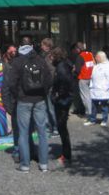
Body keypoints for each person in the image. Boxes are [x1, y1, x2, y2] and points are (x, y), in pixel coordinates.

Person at [5, 37, 52, 173]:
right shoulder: (40, 60)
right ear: (32, 46)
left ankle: (25, 165)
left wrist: (17, 95)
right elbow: (49, 79)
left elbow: (11, 83)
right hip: (39, 99)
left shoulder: (17, 62)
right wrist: (43, 93)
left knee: (23, 133)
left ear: (20, 47)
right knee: (42, 132)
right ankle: (43, 164)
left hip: (23, 100)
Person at [51, 47, 74, 166]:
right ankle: (66, 153)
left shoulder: (61, 68)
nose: (51, 58)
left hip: (63, 100)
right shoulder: (64, 65)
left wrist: (57, 95)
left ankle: (66, 154)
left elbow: (65, 83)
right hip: (64, 98)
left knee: (62, 127)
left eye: (52, 56)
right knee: (62, 127)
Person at [86, 51, 109, 127]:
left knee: (104, 106)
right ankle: (92, 119)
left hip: (103, 90)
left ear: (101, 58)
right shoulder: (96, 66)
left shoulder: (108, 67)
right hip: (94, 89)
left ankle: (104, 120)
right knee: (93, 106)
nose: (95, 58)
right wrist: (91, 86)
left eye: (97, 57)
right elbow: (92, 77)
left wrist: (105, 88)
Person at [40, 38, 57, 135]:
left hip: (49, 86)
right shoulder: (44, 56)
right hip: (45, 85)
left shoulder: (50, 57)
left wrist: (48, 83)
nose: (41, 47)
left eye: (43, 45)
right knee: (45, 107)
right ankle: (48, 127)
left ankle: (55, 127)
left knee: (50, 108)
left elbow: (51, 72)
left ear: (47, 46)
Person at [75, 42, 95, 119]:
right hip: (91, 77)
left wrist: (74, 70)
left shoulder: (80, 56)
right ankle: (91, 111)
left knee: (85, 97)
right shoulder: (90, 54)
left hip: (83, 78)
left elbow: (77, 70)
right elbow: (93, 64)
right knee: (90, 95)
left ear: (78, 49)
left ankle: (88, 113)